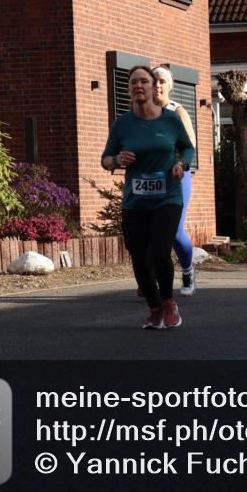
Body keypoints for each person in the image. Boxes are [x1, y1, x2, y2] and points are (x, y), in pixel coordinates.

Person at [102, 65, 195, 329]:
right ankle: (154, 308)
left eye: (144, 81)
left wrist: (182, 165)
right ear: (129, 89)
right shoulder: (122, 124)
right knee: (138, 254)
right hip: (136, 200)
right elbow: (105, 160)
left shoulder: (170, 120)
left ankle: (168, 303)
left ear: (154, 86)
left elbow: (187, 148)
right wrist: (117, 159)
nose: (138, 86)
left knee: (158, 251)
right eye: (133, 82)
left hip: (168, 196)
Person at [152, 66, 199, 296]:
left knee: (174, 229)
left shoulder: (177, 112)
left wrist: (179, 164)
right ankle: (152, 278)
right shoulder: (142, 113)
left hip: (177, 177)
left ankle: (188, 270)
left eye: (161, 81)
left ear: (170, 86)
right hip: (150, 178)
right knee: (149, 228)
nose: (157, 85)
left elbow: (190, 145)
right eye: (153, 81)